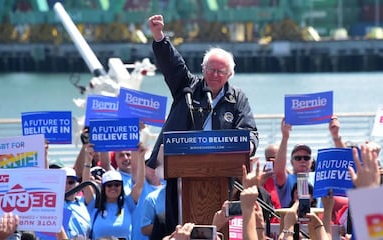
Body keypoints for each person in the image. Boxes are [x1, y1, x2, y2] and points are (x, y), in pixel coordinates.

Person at [146, 14, 259, 232]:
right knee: (178, 223)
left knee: (222, 225)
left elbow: (249, 131)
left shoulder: (237, 99)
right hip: (182, 172)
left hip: (222, 176)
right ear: (203, 69)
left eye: (221, 71)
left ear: (229, 74)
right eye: (211, 69)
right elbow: (172, 64)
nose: (215, 75)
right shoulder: (187, 88)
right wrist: (159, 36)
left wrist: (249, 145)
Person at [82, 143, 146, 240]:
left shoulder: (128, 203)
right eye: (109, 185)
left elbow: (140, 184)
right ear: (103, 187)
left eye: (117, 184)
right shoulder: (95, 204)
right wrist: (87, 161)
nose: (113, 187)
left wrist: (141, 157)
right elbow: (86, 185)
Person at [273, 118, 315, 208]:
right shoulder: (287, 180)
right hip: (291, 221)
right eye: (298, 158)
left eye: (306, 158)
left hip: (316, 220)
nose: (302, 160)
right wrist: (285, 137)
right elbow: (279, 171)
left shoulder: (318, 178)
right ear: (291, 162)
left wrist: (335, 136)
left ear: (311, 161)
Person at [62, 167, 91, 239]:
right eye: (62, 182)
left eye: (71, 182)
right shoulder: (53, 204)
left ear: (77, 184)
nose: (67, 186)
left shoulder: (84, 202)